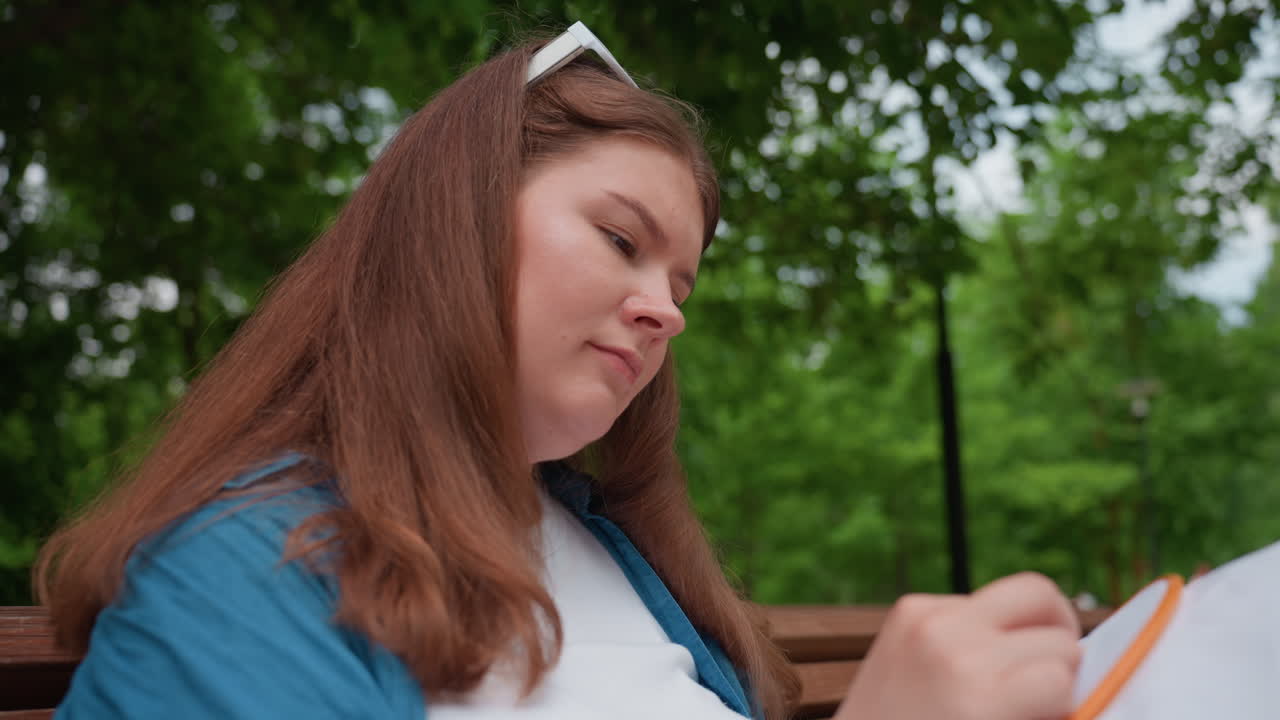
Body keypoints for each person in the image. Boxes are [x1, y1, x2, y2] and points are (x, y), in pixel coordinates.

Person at [35, 22, 1082, 720]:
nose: (665, 308)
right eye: (623, 241)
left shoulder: (610, 550)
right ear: (455, 219)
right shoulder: (236, 574)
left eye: (682, 285)